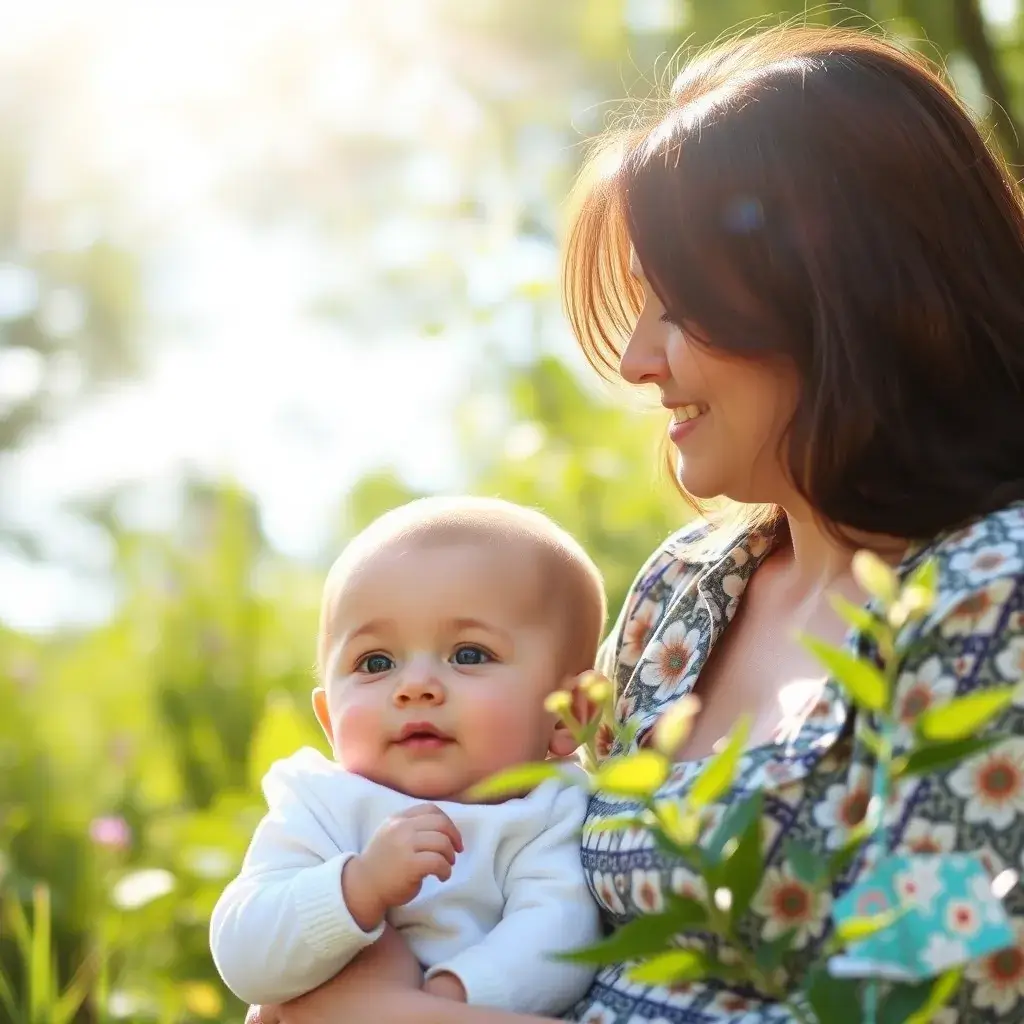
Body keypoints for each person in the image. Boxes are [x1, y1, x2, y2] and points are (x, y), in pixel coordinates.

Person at [253, 23, 1024, 1024]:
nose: (634, 361)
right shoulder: (689, 588)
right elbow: (522, 873)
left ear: (833, 293)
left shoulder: (991, 600)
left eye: (676, 304)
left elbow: (923, 1003)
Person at [213, 496, 606, 1017]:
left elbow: (557, 936)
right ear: (330, 722)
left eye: (469, 654)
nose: (415, 686)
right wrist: (357, 887)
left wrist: (436, 1002)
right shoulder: (322, 806)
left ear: (567, 716)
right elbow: (243, 952)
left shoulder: (544, 813)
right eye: (376, 662)